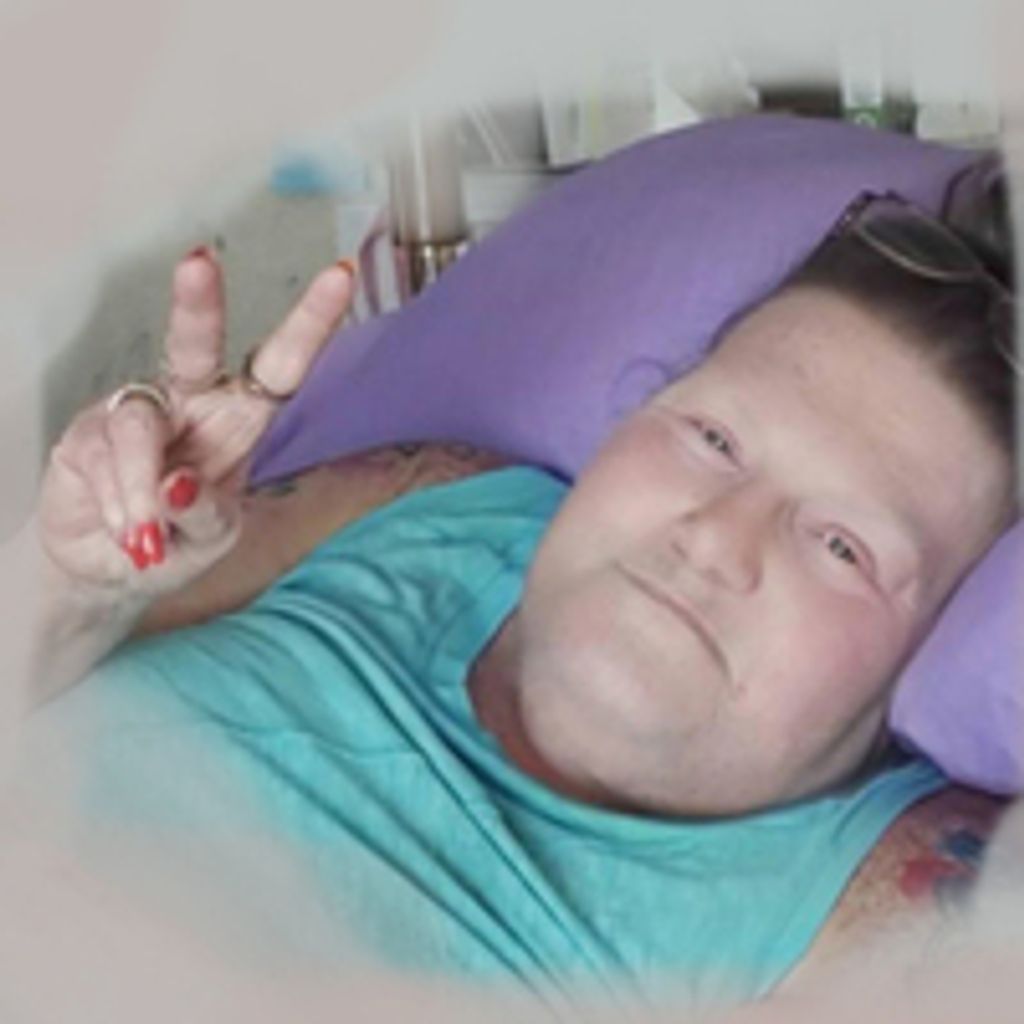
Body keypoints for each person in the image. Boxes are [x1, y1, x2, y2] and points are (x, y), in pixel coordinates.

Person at [20, 184, 1018, 1011]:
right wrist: (66, 587)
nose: (715, 538)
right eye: (713, 439)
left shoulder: (898, 899)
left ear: (941, 648)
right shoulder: (438, 494)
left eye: (842, 547)